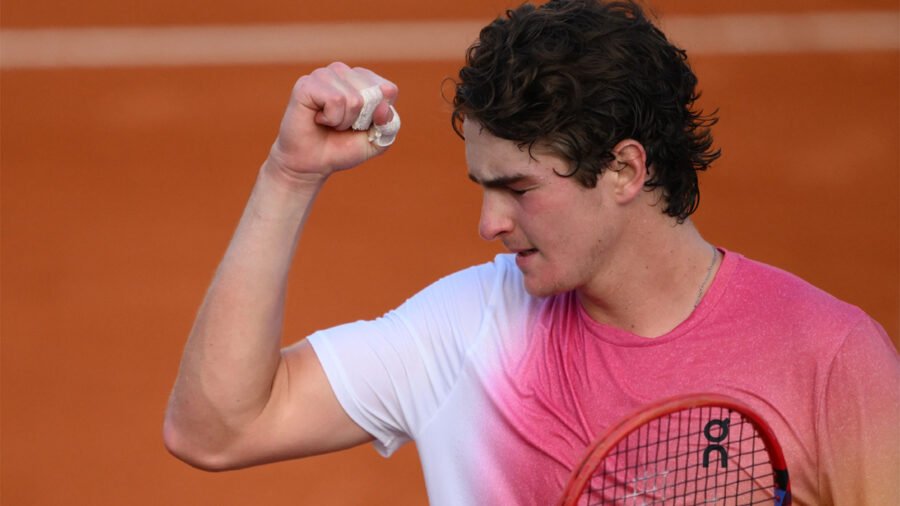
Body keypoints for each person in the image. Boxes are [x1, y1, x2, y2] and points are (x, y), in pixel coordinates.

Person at [163, 0, 900, 504]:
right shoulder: (469, 333)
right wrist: (289, 176)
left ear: (624, 170)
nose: (489, 223)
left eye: (518, 188)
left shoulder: (829, 359)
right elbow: (217, 430)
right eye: (484, 187)